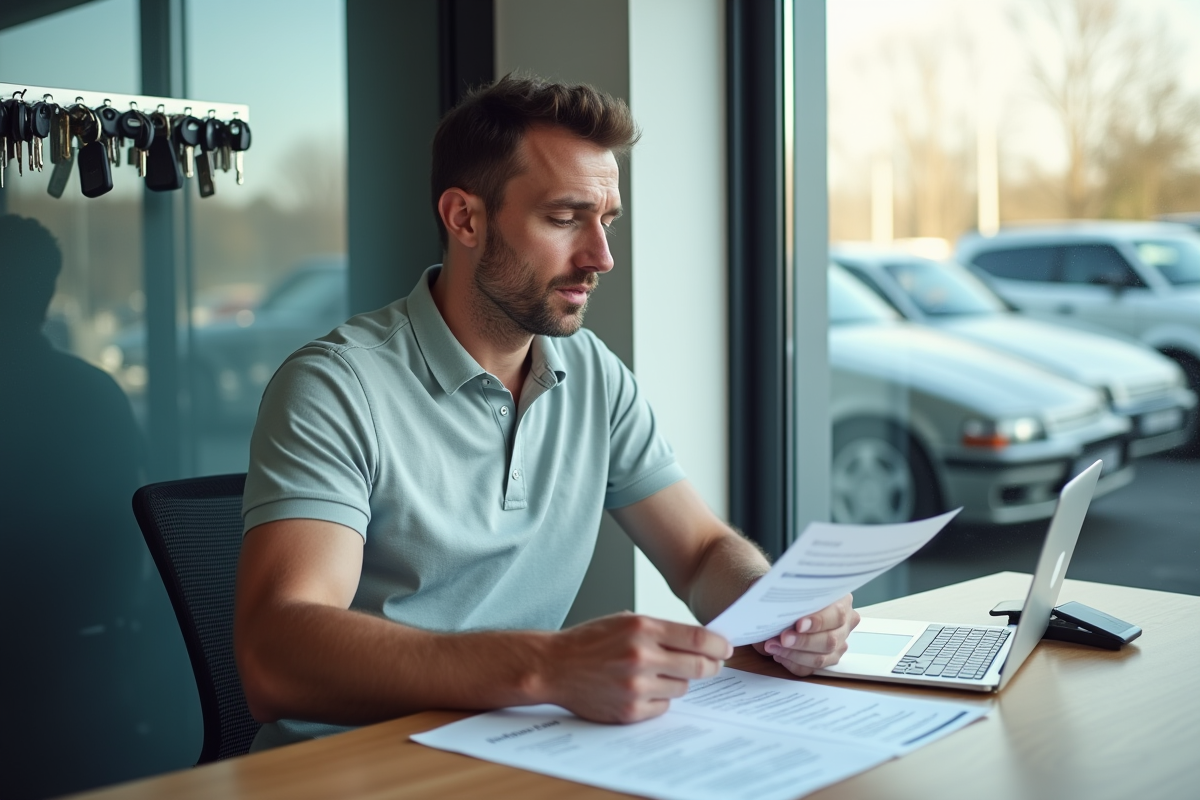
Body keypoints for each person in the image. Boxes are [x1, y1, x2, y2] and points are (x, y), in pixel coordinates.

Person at [234, 74, 859, 751]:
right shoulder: (335, 387)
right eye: (565, 219)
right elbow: (275, 658)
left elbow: (703, 552)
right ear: (465, 218)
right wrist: (546, 667)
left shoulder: (592, 372)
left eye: (606, 221)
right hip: (352, 766)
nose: (601, 257)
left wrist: (775, 610)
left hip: (516, 750)